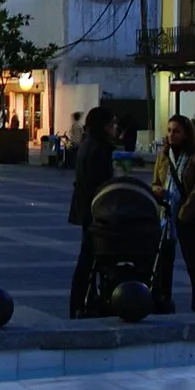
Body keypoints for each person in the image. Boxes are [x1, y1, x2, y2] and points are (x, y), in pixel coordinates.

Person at [150, 113, 195, 314]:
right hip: (165, 216)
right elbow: (155, 182)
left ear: (186, 134)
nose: (171, 135)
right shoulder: (164, 155)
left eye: (176, 131)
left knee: (194, 264)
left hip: (188, 217)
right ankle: (163, 302)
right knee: (163, 265)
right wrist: (156, 190)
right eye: (169, 130)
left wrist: (185, 213)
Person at [67, 106, 116, 318]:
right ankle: (83, 301)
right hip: (95, 210)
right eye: (112, 124)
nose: (115, 128)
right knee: (89, 257)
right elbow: (99, 184)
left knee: (87, 258)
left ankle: (80, 301)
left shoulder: (89, 145)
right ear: (104, 127)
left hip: (87, 209)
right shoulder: (98, 149)